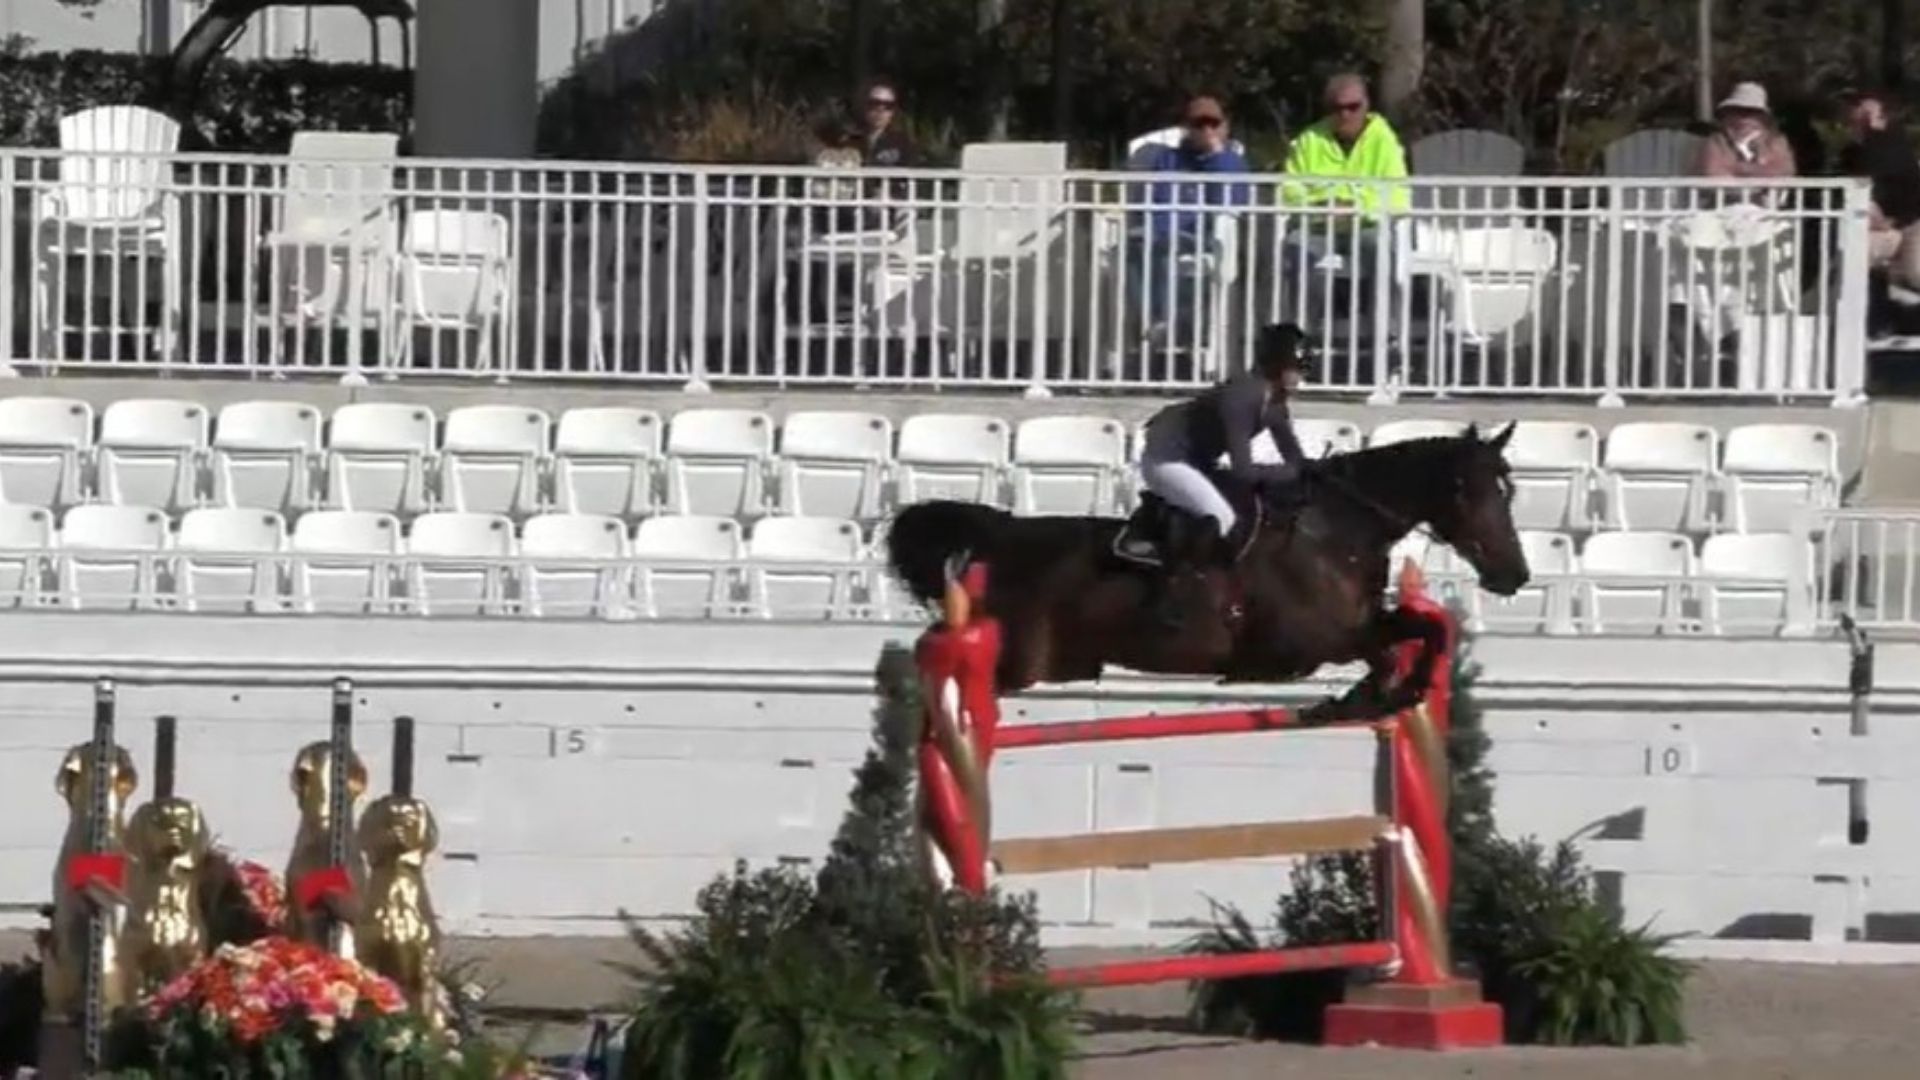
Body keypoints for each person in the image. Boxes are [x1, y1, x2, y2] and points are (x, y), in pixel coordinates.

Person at [1132, 323, 1316, 627]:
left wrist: (1313, 471)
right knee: (1222, 517)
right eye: (1295, 370)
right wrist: (1293, 472)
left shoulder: (1275, 405)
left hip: (1196, 460)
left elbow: (1296, 460)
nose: (1300, 379)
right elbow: (1244, 470)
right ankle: (1175, 597)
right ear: (1275, 367)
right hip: (1166, 458)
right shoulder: (1243, 396)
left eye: (1302, 370)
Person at [1132, 95, 1251, 340]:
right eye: (1199, 124)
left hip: (1206, 237)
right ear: (1187, 129)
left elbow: (1230, 200)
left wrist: (1216, 155)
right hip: (1165, 232)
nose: (1207, 130)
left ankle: (1167, 321)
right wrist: (1159, 229)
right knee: (1134, 245)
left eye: (1213, 123)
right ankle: (1156, 319)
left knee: (1160, 248)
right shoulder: (1168, 159)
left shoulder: (1232, 161)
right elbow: (1157, 200)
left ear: (1225, 126)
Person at [1280, 73, 1410, 215]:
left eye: (1353, 107)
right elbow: (1289, 191)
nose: (1345, 115)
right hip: (1317, 222)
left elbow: (1397, 197)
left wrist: (1355, 208)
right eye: (1337, 108)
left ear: (1366, 105)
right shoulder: (1309, 140)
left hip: (1370, 223)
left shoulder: (1384, 140)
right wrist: (1322, 206)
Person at [1839, 89, 1920, 297]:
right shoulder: (1853, 153)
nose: (1858, 113)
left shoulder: (1891, 143)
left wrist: (1887, 221)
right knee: (1856, 252)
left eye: (1865, 110)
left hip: (1912, 224)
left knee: (1916, 271)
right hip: (1886, 228)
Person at [1697, 82, 1797, 180]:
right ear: (1726, 115)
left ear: (1763, 118)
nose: (1744, 118)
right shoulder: (1716, 141)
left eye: (1752, 112)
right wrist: (1760, 171)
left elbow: (1785, 171)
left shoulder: (1776, 141)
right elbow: (1712, 173)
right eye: (1737, 111)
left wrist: (1739, 169)